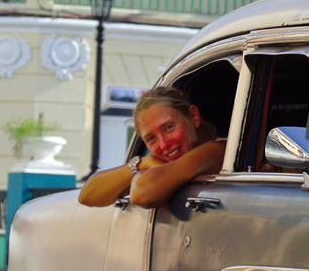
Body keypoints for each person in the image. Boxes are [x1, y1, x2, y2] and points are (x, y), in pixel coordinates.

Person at [79, 87, 225, 209]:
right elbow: (87, 195)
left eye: (169, 127)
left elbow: (141, 192)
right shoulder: (166, 165)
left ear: (194, 116)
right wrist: (143, 163)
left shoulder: (215, 150)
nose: (163, 144)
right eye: (151, 138)